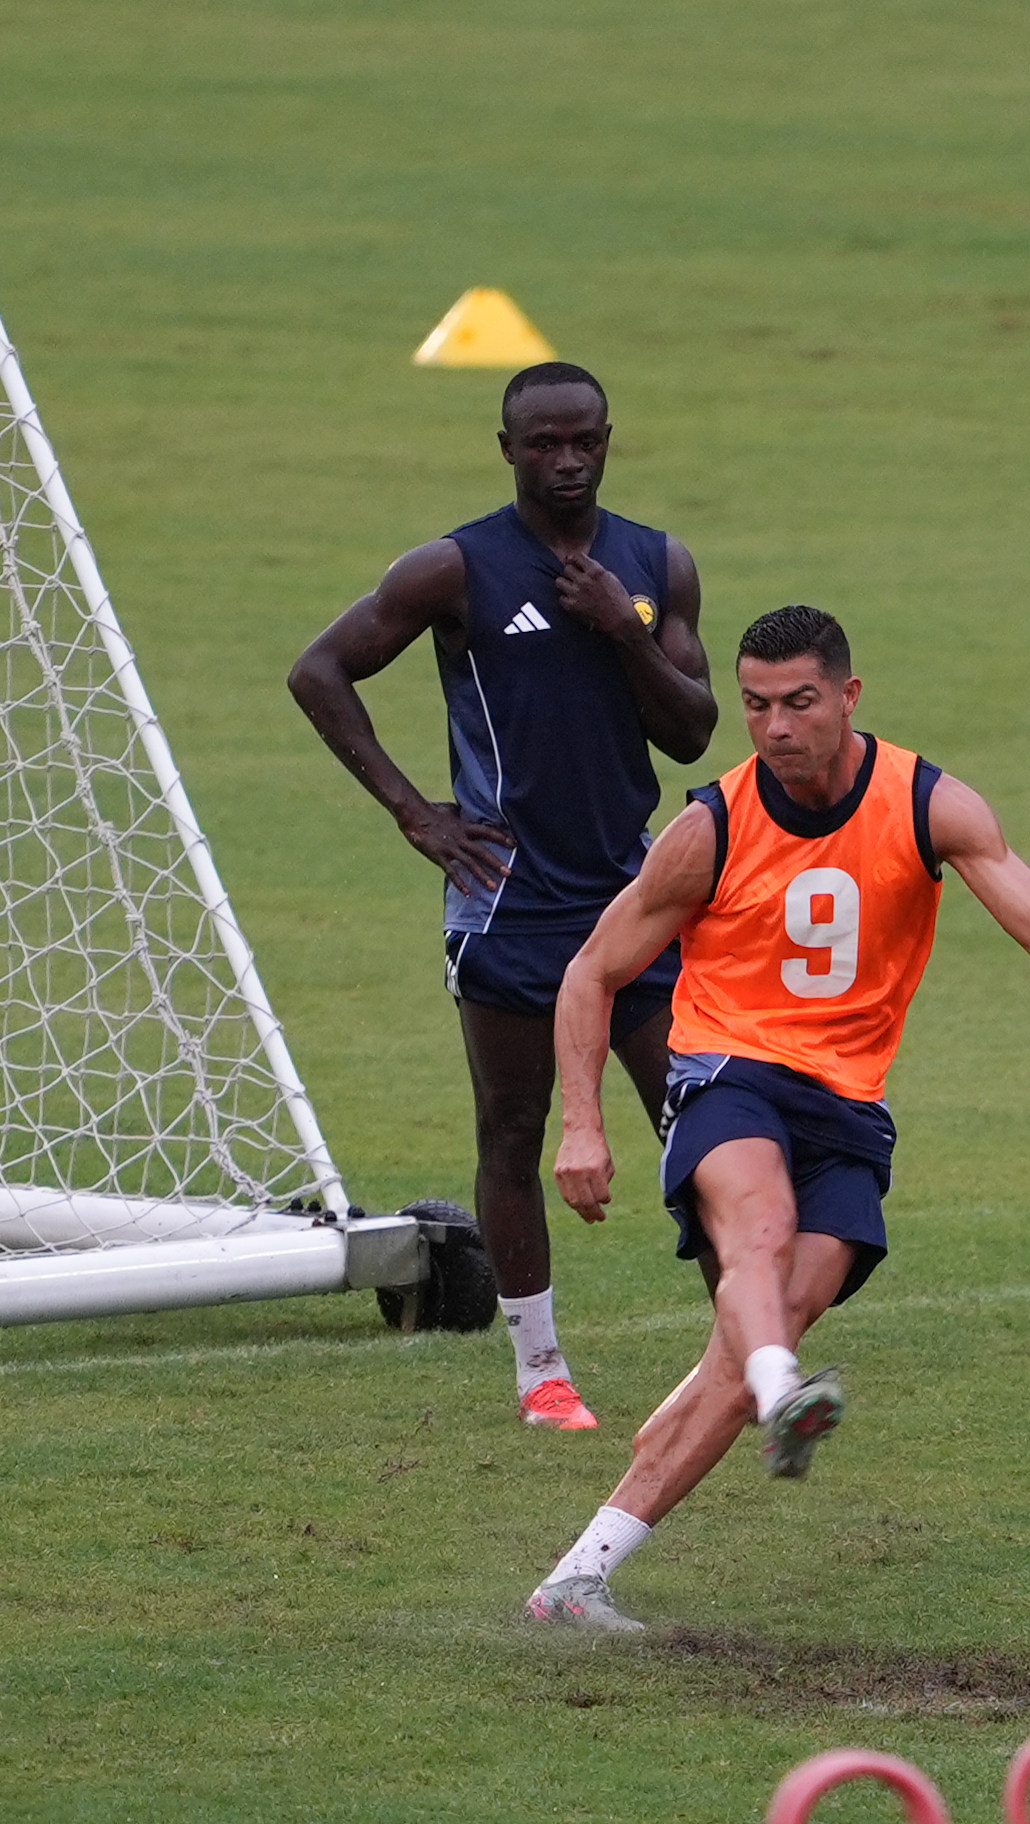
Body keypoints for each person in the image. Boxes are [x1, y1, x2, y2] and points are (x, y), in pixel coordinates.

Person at [522, 604, 1030, 1632]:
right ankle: (774, 1386)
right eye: (754, 706)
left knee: (779, 1308)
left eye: (798, 702)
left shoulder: (927, 802)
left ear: (847, 696)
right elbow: (592, 971)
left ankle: (575, 1578)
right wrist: (580, 1124)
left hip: (847, 1100)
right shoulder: (708, 826)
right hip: (727, 1070)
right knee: (756, 1236)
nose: (774, 727)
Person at [288, 360, 714, 1432]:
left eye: (585, 442)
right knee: (512, 1128)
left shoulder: (656, 563)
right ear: (508, 448)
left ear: (609, 439)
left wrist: (621, 626)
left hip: (632, 895)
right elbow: (319, 670)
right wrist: (413, 814)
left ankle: (748, 1352)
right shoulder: (456, 569)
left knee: (701, 1120)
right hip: (509, 901)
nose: (567, 462)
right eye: (544, 444)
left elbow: (693, 731)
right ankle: (541, 1373)